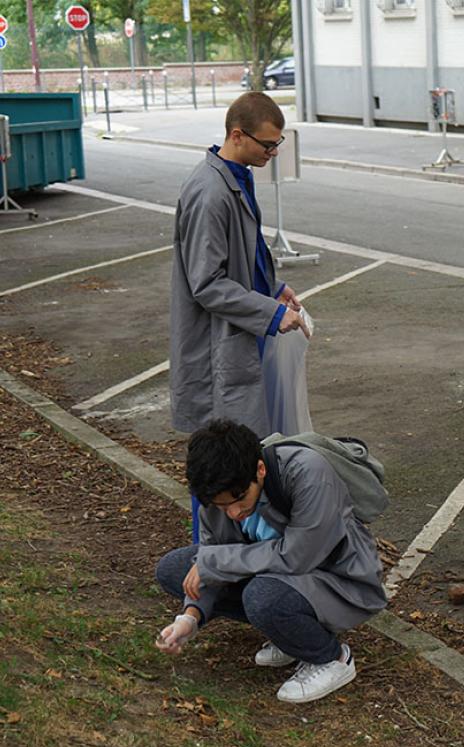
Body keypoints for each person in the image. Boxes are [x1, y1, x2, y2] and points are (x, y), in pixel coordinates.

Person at [153, 419, 387, 704]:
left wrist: (214, 562)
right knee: (175, 570)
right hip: (280, 576)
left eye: (239, 499)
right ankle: (290, 635)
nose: (234, 512)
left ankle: (332, 659)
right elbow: (215, 552)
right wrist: (191, 616)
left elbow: (298, 556)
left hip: (340, 578)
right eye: (221, 506)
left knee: (262, 597)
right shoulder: (215, 491)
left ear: (260, 470)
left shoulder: (308, 472)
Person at [169, 91, 309, 442]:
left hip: (239, 335)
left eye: (277, 144)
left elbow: (244, 252)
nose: (274, 152)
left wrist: (274, 288)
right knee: (229, 452)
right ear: (236, 136)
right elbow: (207, 283)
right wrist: (272, 314)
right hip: (217, 343)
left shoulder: (235, 177)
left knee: (248, 444)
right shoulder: (210, 193)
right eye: (267, 145)